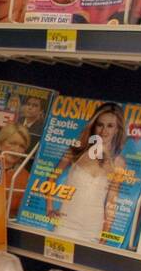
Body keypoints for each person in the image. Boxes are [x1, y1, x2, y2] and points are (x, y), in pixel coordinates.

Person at [47, 103, 126, 242]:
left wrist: (106, 232)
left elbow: (112, 199)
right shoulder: (76, 150)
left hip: (93, 228)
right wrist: (49, 208)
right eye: (100, 124)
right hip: (66, 222)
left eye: (110, 126)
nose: (104, 131)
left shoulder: (119, 163)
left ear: (117, 129)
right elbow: (51, 179)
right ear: (94, 126)